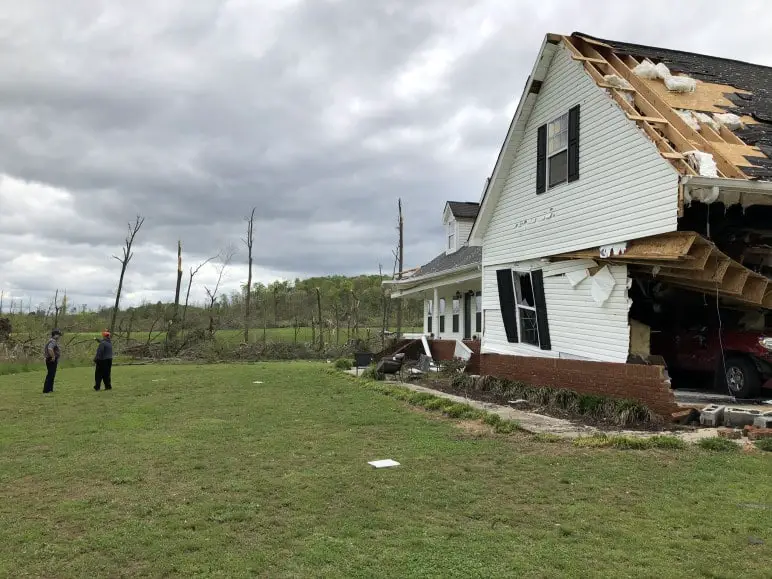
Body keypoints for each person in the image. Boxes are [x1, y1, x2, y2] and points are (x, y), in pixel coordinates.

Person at [43, 329, 62, 394]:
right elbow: (50, 349)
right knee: (51, 374)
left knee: (52, 374)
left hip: (49, 359)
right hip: (51, 359)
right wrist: (53, 357)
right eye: (58, 335)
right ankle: (46, 390)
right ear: (55, 335)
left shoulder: (51, 341)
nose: (59, 337)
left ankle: (50, 389)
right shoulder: (53, 341)